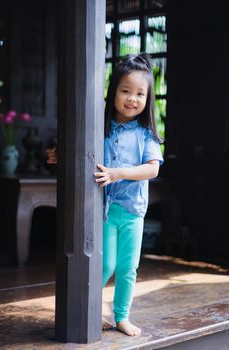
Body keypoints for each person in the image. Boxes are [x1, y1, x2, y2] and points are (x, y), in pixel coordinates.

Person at [94, 53, 164, 336]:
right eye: (125, 91)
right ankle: (90, 309)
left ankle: (121, 316)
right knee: (105, 263)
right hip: (104, 210)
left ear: (147, 99)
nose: (132, 99)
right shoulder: (101, 128)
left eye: (139, 93)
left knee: (127, 267)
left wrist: (117, 172)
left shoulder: (146, 133)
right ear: (113, 92)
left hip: (133, 211)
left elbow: (152, 170)